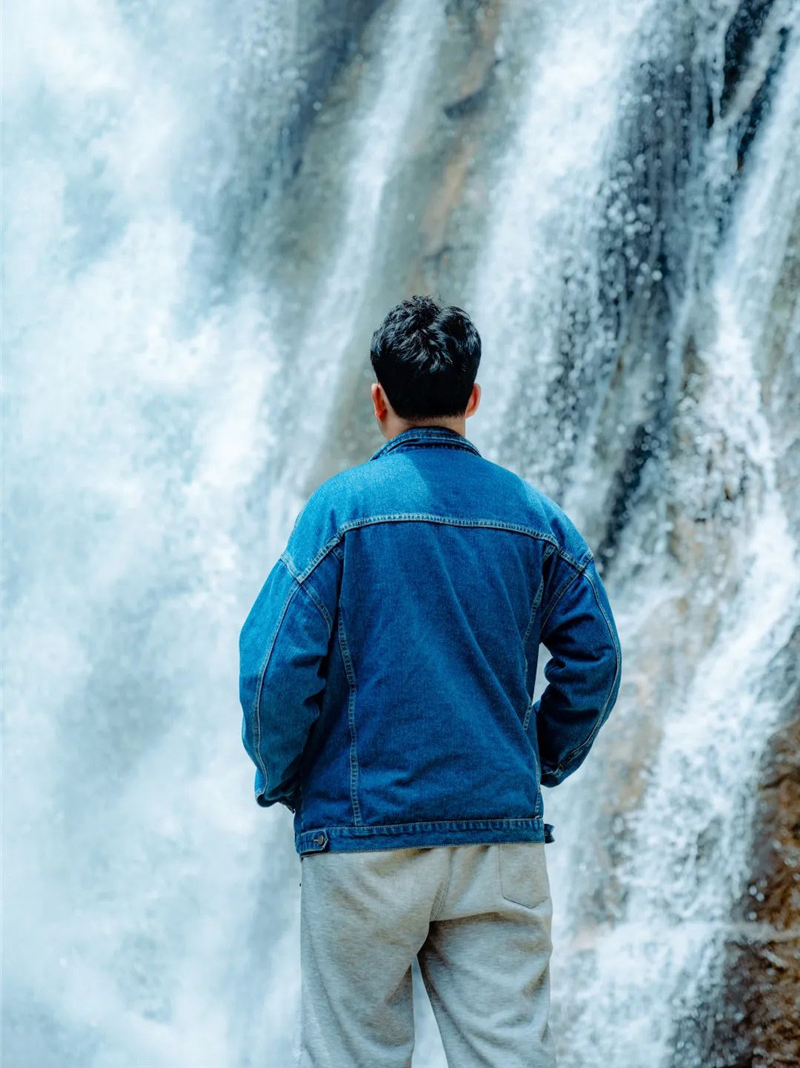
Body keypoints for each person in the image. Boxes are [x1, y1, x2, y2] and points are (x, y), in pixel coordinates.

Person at [239, 294, 622, 1068]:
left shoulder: (341, 510)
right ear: (473, 398)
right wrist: (537, 758)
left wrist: (284, 775)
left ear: (379, 399)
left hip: (361, 836)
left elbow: (272, 666)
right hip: (497, 837)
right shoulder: (536, 517)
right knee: (508, 1056)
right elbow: (598, 658)